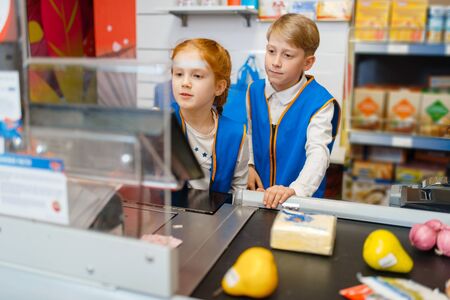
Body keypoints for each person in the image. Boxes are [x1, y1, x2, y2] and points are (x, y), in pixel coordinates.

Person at [246, 13, 340, 208]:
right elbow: (250, 134)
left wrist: (296, 190)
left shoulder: (320, 103)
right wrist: (249, 165)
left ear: (307, 63)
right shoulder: (254, 90)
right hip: (259, 198)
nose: (275, 62)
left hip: (298, 203)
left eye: (287, 55)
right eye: (271, 51)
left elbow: (318, 154)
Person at [171, 38, 249, 193]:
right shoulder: (162, 125)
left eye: (197, 76)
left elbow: (239, 191)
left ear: (219, 87)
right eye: (178, 74)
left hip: (218, 215)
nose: (185, 82)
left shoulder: (237, 135)